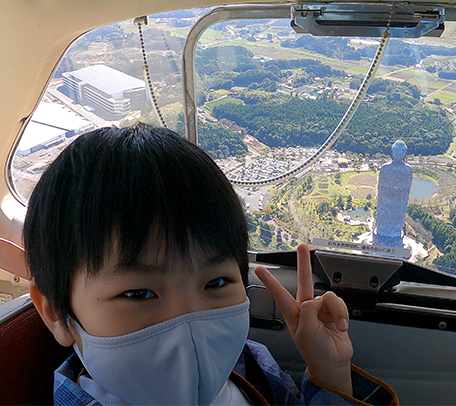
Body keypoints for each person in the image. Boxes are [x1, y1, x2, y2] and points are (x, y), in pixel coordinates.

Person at [24, 123, 398, 406]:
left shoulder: (252, 367)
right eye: (139, 293)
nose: (190, 321)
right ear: (57, 313)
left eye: (216, 283)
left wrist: (328, 372)